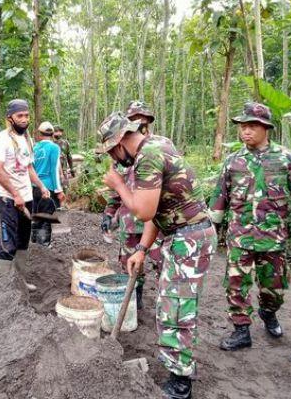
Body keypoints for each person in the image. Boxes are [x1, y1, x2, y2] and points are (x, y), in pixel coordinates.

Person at [98, 112, 216, 399]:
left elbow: (143, 211)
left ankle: (180, 384)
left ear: (120, 142)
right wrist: (141, 248)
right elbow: (158, 210)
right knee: (171, 304)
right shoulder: (157, 145)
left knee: (175, 309)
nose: (114, 159)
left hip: (188, 238)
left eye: (112, 152)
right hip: (184, 235)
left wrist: (118, 184)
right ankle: (179, 371)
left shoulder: (148, 156)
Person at [208, 102, 291, 351]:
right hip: (240, 235)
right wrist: (212, 227)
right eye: (243, 127)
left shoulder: (285, 159)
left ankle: (269, 312)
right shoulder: (233, 161)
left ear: (266, 128)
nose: (245, 131)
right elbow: (220, 196)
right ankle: (241, 329)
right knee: (236, 283)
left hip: (273, 236)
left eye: (252, 126)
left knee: (274, 288)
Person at [101, 101, 163, 310]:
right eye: (135, 119)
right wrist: (109, 212)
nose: (140, 123)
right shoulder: (121, 153)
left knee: (162, 264)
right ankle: (135, 302)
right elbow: (116, 188)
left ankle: (164, 305)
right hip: (129, 221)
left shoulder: (154, 149)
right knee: (130, 265)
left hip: (154, 223)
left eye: (143, 120)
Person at [0, 99, 50, 290]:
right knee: (7, 242)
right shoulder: (1, 140)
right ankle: (1, 289)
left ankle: (20, 282)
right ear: (10, 118)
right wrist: (15, 194)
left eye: (26, 115)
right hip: (7, 198)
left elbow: (29, 168)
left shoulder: (27, 139)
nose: (24, 119)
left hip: (26, 197)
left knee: (23, 240)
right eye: (20, 116)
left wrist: (41, 186)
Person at [31, 121, 65, 246]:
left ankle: (35, 243)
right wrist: (59, 190)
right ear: (52, 134)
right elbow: (54, 170)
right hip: (48, 187)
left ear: (40, 134)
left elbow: (31, 169)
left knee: (36, 215)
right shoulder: (54, 148)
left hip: (35, 187)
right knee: (45, 218)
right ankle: (43, 246)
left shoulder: (35, 148)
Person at [53, 125, 74, 192]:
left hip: (63, 170)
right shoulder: (50, 143)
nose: (59, 133)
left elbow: (69, 156)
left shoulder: (65, 143)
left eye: (60, 131)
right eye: (57, 131)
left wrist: (72, 169)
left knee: (65, 189)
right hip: (52, 171)